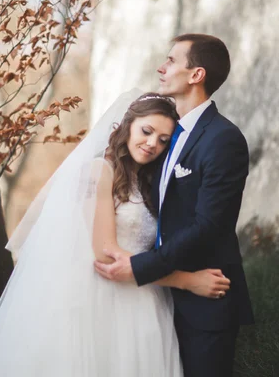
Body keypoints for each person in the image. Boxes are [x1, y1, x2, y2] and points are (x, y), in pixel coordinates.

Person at [0, 91, 232, 376]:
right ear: (127, 124)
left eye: (163, 140)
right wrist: (187, 281)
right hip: (104, 304)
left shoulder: (146, 182)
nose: (152, 143)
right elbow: (107, 255)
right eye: (147, 131)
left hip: (148, 302)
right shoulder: (98, 171)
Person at [94, 34, 256, 377]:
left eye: (171, 61)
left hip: (205, 303)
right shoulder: (166, 139)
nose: (161, 67)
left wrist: (143, 267)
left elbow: (209, 226)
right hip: (158, 302)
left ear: (196, 75)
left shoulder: (222, 139)